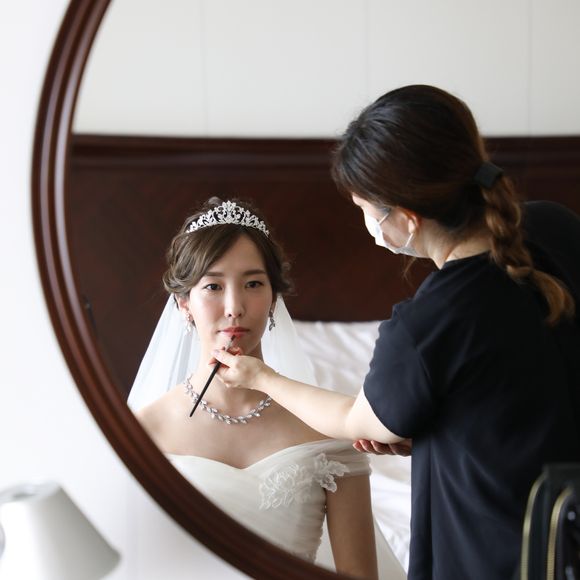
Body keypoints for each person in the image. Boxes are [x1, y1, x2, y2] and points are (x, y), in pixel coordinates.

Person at [211, 86, 580, 580]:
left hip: (504, 548)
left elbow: (356, 420)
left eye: (365, 208)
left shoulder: (429, 322)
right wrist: (438, 427)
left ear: (406, 218)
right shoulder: (558, 225)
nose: (368, 225)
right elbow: (525, 381)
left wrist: (261, 377)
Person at [128, 197, 405, 579]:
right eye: (213, 286)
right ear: (183, 304)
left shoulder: (327, 430)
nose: (234, 307)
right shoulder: (143, 432)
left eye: (253, 284)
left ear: (274, 298)